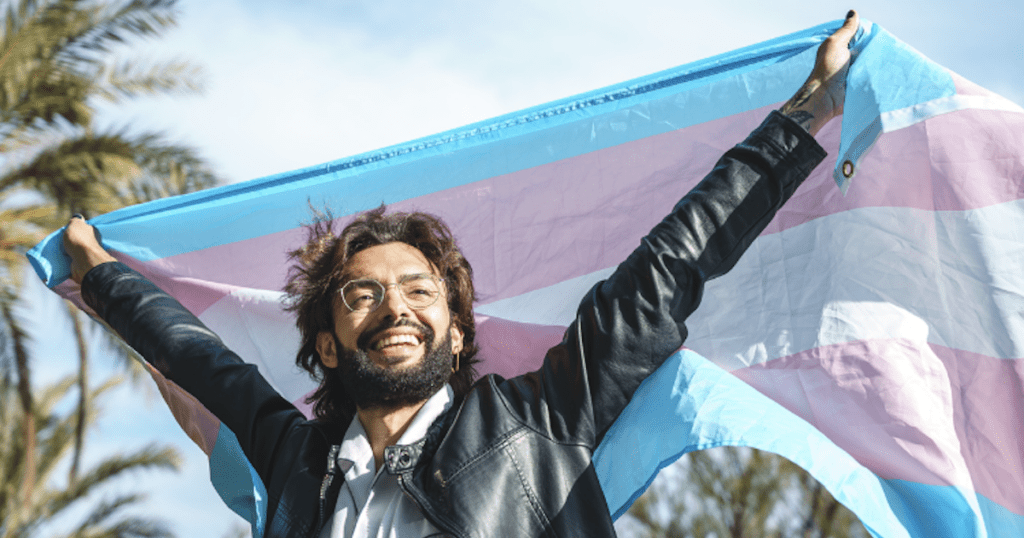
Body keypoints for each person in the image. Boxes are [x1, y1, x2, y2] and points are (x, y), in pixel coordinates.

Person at [62, 11, 861, 538]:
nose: (394, 307)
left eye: (419, 290)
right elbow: (201, 361)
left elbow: (662, 275)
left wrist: (801, 119)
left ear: (455, 325)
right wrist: (99, 275)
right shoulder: (295, 463)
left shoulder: (536, 427)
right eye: (362, 293)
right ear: (329, 345)